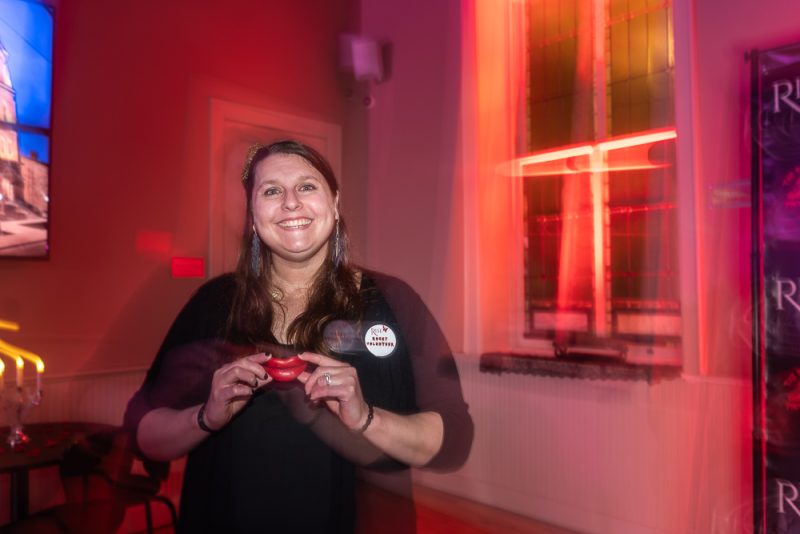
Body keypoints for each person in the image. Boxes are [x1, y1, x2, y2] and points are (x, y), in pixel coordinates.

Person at [124, 140, 473, 533]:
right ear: (252, 215)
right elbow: (143, 433)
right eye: (271, 191)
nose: (290, 202)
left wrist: (365, 419)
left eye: (307, 186)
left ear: (334, 204)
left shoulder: (391, 303)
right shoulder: (213, 305)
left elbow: (454, 439)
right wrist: (205, 417)